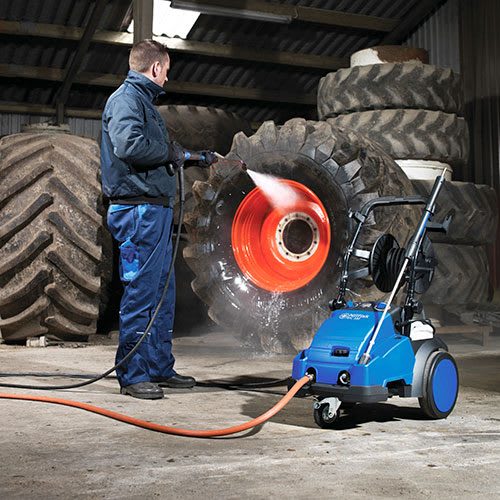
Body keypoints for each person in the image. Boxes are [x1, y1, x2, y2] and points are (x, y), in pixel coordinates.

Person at [100, 39, 216, 399]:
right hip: (138, 211)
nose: (167, 77)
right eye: (166, 70)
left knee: (162, 293)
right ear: (154, 68)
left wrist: (193, 157)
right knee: (141, 291)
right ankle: (133, 375)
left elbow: (159, 152)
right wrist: (171, 152)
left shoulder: (142, 103)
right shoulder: (125, 101)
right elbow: (129, 146)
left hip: (154, 210)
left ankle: (158, 367)